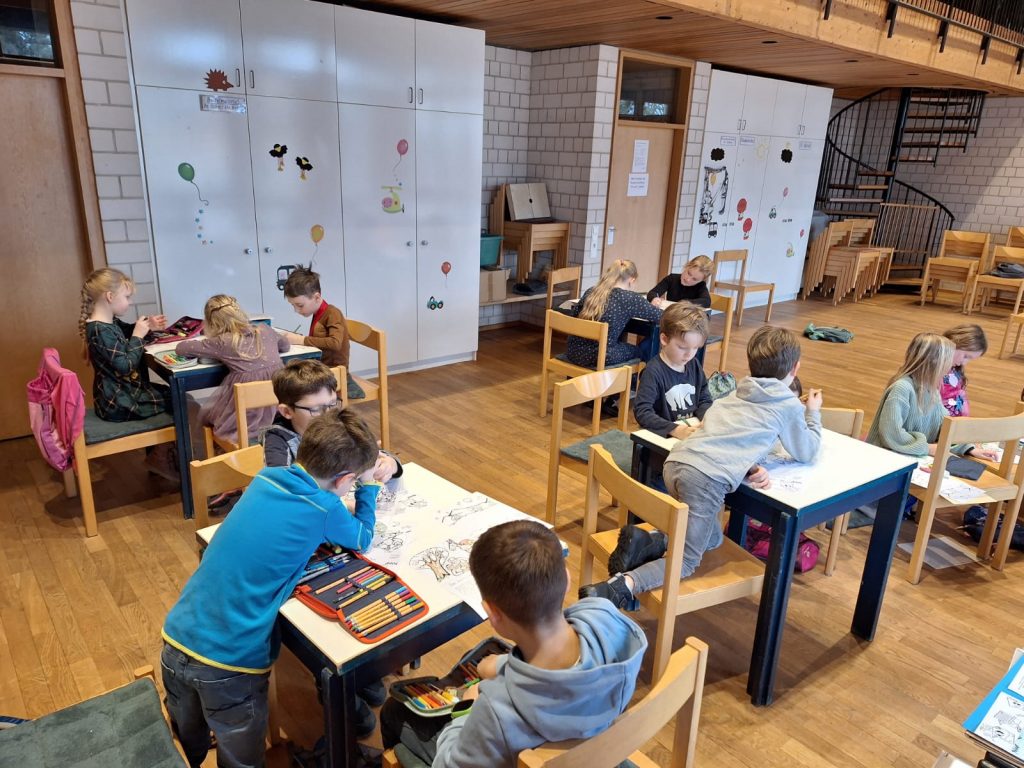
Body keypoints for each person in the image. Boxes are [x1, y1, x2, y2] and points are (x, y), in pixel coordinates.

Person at [160, 409, 381, 768]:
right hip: (230, 663)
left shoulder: (266, 477)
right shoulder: (324, 506)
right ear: (344, 480)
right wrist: (369, 486)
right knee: (242, 759)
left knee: (185, 746)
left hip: (177, 636)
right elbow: (362, 538)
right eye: (352, 481)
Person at [580, 326, 823, 608]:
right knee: (685, 562)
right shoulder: (788, 405)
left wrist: (747, 465)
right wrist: (813, 414)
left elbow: (723, 434)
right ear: (795, 368)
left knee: (713, 536)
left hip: (677, 462)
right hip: (704, 480)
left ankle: (652, 541)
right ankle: (619, 587)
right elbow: (807, 451)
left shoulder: (735, 395)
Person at [379, 520, 647, 767]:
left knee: (394, 711)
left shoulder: (497, 711)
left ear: (492, 614)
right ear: (566, 579)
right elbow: (557, 672)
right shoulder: (606, 619)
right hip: (598, 743)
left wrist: (465, 710)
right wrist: (504, 665)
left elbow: (448, 764)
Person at [176, 294, 289, 446]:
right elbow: (285, 345)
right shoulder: (265, 329)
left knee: (210, 416)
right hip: (279, 408)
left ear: (211, 322)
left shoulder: (223, 341)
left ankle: (214, 453)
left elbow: (181, 348)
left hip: (245, 416)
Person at [263, 359, 401, 482]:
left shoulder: (340, 423)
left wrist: (390, 464)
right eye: (316, 409)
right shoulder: (278, 440)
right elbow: (280, 487)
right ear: (287, 412)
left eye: (332, 404)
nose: (328, 414)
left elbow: (381, 457)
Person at [866, 332, 996, 460]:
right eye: (948, 362)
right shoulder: (902, 388)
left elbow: (944, 426)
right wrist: (927, 448)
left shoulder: (932, 390)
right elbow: (891, 434)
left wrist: (968, 448)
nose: (953, 366)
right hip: (884, 459)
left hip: (910, 457)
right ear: (935, 362)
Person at [79, 267, 170, 422]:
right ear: (110, 296)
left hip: (123, 394)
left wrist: (148, 326)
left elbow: (127, 331)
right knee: (176, 397)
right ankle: (167, 439)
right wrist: (138, 335)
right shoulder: (99, 330)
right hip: (118, 402)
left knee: (170, 392)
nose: (130, 302)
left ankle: (169, 438)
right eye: (127, 297)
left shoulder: (108, 322)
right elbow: (125, 366)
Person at [632, 303, 713, 439]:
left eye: (695, 348)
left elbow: (704, 398)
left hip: (690, 434)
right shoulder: (653, 372)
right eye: (682, 347)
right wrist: (674, 430)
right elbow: (642, 412)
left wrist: (706, 418)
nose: (689, 354)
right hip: (663, 438)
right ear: (664, 339)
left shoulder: (694, 364)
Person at [566, 259, 662, 369]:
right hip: (599, 356)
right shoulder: (629, 298)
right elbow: (661, 316)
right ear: (631, 280)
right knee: (640, 351)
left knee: (615, 343)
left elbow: (573, 317)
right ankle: (633, 380)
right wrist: (652, 306)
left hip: (573, 352)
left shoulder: (591, 291)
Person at [280, 267, 351, 370]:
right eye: (293, 305)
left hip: (334, 372)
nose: (296, 310)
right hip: (321, 368)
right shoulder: (318, 312)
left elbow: (335, 343)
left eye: (300, 305)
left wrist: (301, 340)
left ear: (317, 297)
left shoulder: (333, 313)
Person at [940, 323, 987, 417]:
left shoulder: (954, 368)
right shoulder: (933, 371)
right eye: (965, 356)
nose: (964, 363)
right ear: (954, 343)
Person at [646, 254, 713, 309]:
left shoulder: (701, 286)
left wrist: (684, 303)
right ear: (687, 266)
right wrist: (655, 298)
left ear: (702, 280)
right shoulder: (672, 278)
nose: (688, 279)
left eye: (694, 279)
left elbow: (706, 301)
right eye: (689, 273)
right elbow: (653, 292)